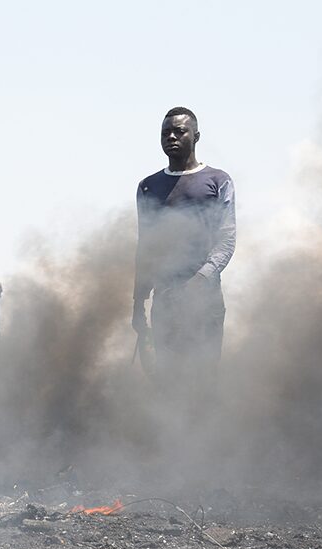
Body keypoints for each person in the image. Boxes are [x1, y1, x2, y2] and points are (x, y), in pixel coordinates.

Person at [131, 107, 236, 387]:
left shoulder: (217, 180)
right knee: (168, 383)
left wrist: (200, 280)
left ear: (196, 136)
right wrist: (138, 302)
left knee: (203, 381)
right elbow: (146, 247)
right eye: (166, 133)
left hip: (204, 301)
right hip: (165, 302)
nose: (172, 137)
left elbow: (226, 239)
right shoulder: (147, 187)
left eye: (180, 131)